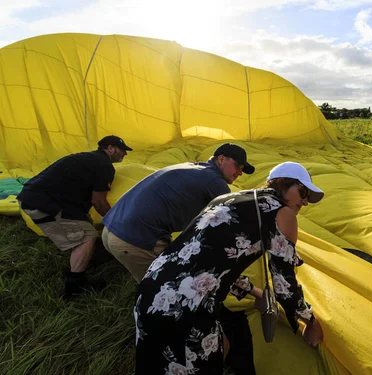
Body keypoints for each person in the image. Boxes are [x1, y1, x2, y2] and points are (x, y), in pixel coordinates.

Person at [134, 162, 325, 375]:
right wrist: (310, 321)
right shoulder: (282, 214)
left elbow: (212, 264)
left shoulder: (226, 199)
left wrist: (256, 293)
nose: (305, 202)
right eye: (302, 192)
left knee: (161, 362)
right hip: (186, 307)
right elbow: (284, 286)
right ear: (281, 183)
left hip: (152, 291)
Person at [101, 143, 255, 283]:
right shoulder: (214, 181)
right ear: (221, 159)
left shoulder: (192, 168)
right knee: (166, 288)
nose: (240, 173)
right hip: (132, 240)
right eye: (238, 166)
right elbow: (235, 221)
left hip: (110, 230)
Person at [17, 135, 131, 299]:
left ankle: (87, 260)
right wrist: (115, 222)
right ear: (110, 148)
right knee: (87, 237)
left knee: (84, 224)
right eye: (122, 150)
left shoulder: (86, 159)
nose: (125, 154)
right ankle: (75, 286)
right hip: (44, 204)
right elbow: (98, 201)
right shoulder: (104, 166)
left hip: (32, 197)